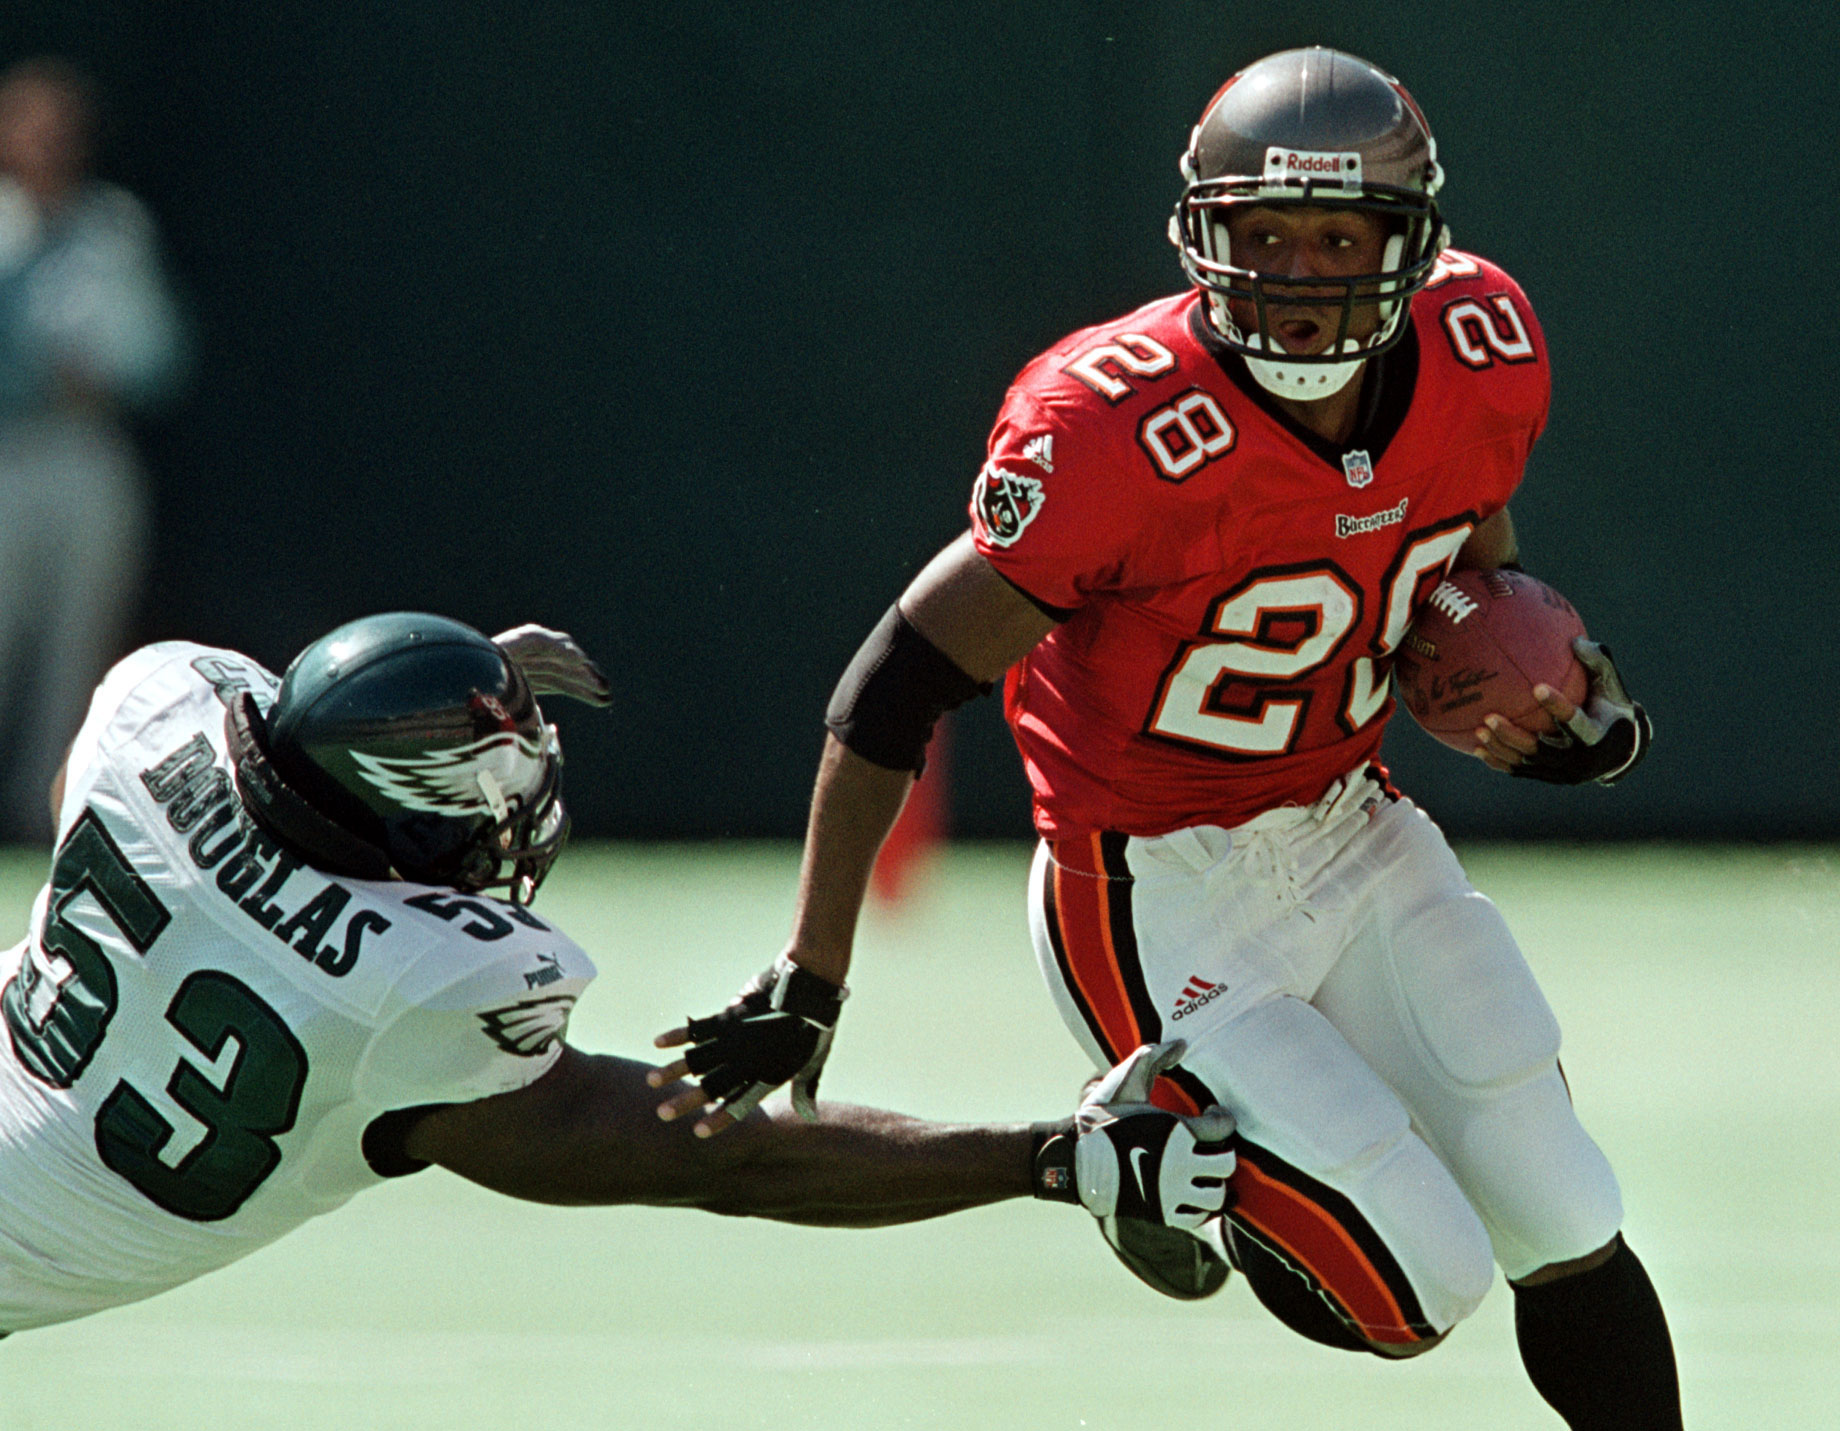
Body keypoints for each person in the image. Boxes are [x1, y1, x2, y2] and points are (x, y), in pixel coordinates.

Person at [655, 47, 1679, 1430]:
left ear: (1411, 243)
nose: (1304, 272)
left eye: (1337, 235)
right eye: (1266, 233)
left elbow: (1462, 565)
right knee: (1418, 1289)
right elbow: (894, 684)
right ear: (1207, 234)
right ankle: (1152, 1158)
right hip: (1155, 885)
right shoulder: (1115, 424)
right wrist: (812, 970)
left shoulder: (1481, 344)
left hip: (1346, 816)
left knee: (1566, 1200)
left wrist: (1534, 694)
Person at [0, 612, 1237, 1334]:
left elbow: (122, 805)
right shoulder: (414, 984)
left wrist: (437, 690)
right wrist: (1050, 1159)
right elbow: (727, 1158)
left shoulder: (153, 709)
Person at [0, 57, 187, 843]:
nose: (48, 143)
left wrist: (100, 374)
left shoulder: (115, 228)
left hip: (87, 455)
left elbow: (160, 354)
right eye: (31, 126)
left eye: (62, 129)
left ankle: (46, 821)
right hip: (7, 453)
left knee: (79, 646)